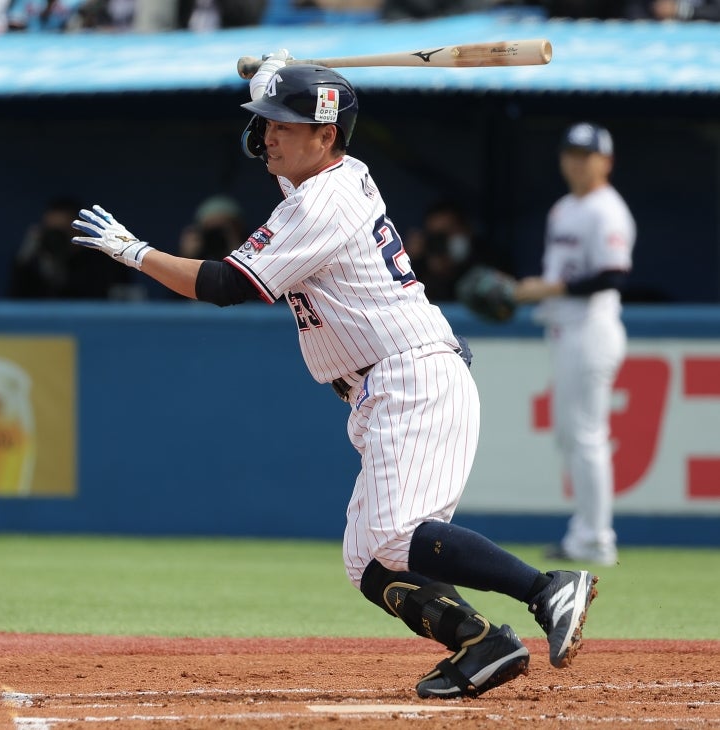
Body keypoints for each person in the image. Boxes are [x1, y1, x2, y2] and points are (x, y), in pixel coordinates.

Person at [69, 54, 599, 699]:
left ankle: (546, 589)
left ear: (326, 137)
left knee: (396, 538)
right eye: (266, 122)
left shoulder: (322, 200)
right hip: (387, 382)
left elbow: (225, 285)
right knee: (368, 559)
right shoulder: (329, 174)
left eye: (283, 125)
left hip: (411, 376)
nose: (267, 135)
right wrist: (277, 75)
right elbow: (293, 130)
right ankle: (482, 642)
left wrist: (135, 253)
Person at [514, 122, 636, 567]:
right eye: (571, 154)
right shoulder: (564, 208)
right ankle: (584, 533)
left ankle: (596, 539)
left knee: (586, 435)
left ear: (606, 161)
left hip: (592, 329)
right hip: (566, 330)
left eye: (587, 155)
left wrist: (547, 289)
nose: (577, 163)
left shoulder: (607, 210)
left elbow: (613, 275)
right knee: (572, 435)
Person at [8, 196, 134, 299]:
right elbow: (15, 302)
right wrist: (25, 260)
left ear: (80, 229)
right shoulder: (34, 262)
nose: (56, 239)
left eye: (62, 232)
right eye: (52, 233)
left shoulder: (105, 260)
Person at [405, 199, 514, 302]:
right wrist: (411, 262)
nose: (443, 242)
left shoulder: (490, 257)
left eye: (449, 232)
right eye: (437, 236)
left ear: (467, 228)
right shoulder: (421, 267)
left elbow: (505, 295)